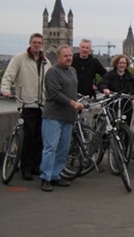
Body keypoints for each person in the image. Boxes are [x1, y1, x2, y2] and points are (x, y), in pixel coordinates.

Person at [0, 33, 51, 181]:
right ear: (30, 43)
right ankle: (26, 168)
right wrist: (6, 89)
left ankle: (36, 166)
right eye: (34, 42)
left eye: (39, 42)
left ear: (42, 44)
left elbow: (50, 81)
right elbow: (8, 75)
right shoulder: (19, 58)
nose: (37, 45)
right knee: (28, 137)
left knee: (40, 138)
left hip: (42, 104)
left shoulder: (46, 61)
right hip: (27, 103)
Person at [39, 45, 85, 191]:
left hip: (68, 116)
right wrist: (72, 103)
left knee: (63, 149)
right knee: (50, 147)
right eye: (65, 56)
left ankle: (55, 175)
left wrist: (78, 101)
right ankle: (45, 177)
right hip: (53, 115)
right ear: (58, 58)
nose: (69, 58)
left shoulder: (72, 71)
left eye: (70, 55)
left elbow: (72, 91)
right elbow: (54, 93)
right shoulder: (52, 72)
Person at [98, 54, 134, 125]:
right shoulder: (109, 75)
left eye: (124, 63)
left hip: (126, 104)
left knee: (126, 124)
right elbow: (102, 84)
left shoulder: (131, 77)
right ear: (116, 64)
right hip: (112, 103)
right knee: (111, 124)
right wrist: (105, 89)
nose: (122, 65)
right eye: (120, 63)